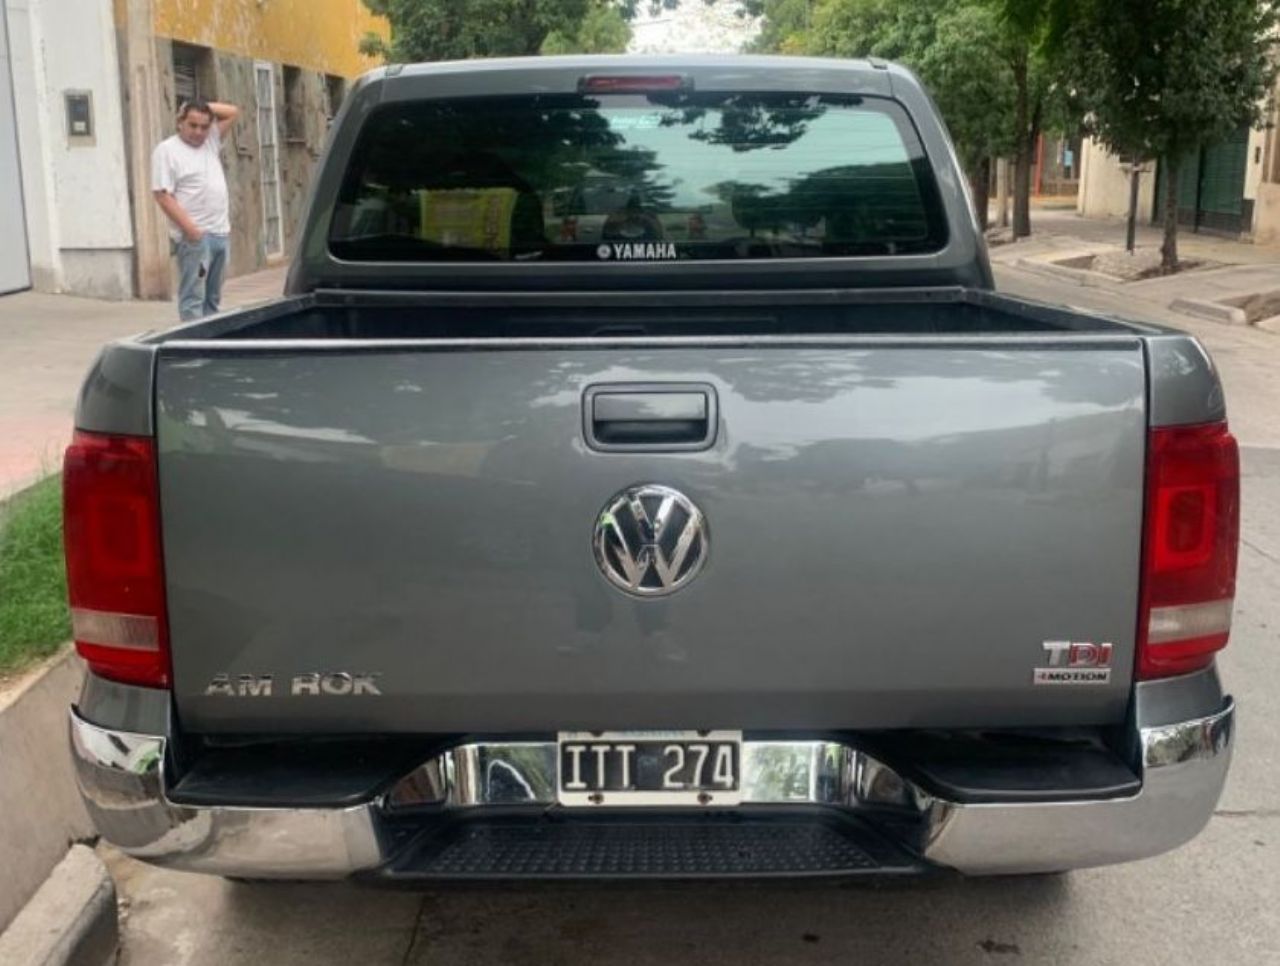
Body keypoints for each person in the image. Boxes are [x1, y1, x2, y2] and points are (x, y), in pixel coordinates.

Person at [151, 100, 239, 320]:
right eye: (192, 125)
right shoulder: (167, 150)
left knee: (213, 297)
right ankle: (192, 345)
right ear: (180, 122)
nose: (198, 132)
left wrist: (203, 106)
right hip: (196, 238)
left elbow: (232, 112)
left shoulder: (210, 141)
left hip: (220, 233)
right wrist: (191, 231)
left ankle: (211, 343)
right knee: (194, 297)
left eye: (204, 126)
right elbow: (162, 195)